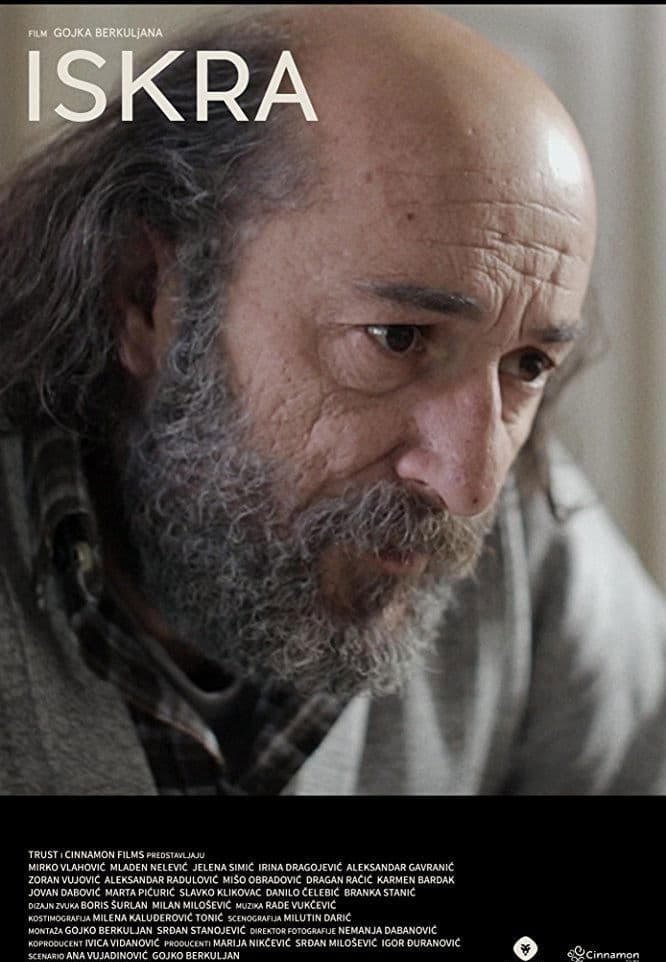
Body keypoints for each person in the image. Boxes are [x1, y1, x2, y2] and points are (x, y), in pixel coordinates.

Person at [0, 4, 664, 796]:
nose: (470, 486)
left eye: (527, 364)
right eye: (398, 338)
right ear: (147, 295)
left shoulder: (529, 536)